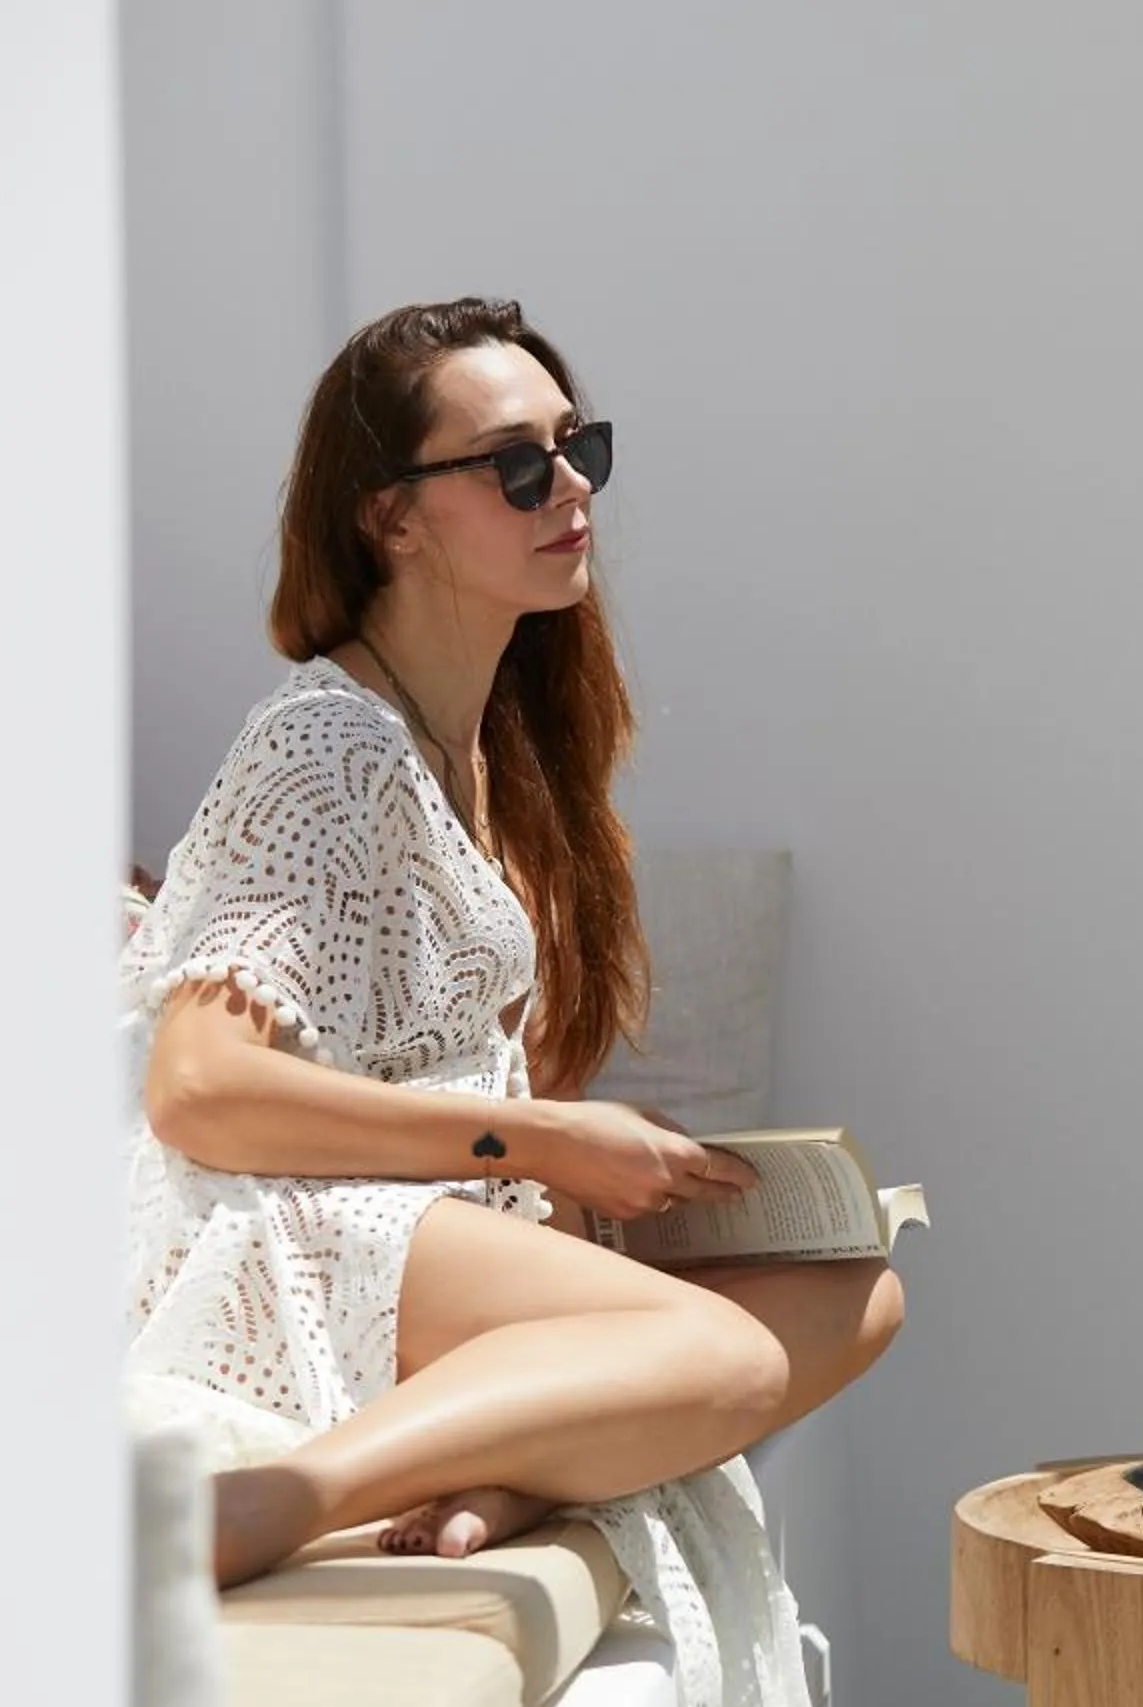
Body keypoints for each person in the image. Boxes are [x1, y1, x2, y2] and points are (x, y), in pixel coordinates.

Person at [120, 295, 905, 1594]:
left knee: (855, 1295)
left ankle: (497, 1467)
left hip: (439, 1221)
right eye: (516, 466)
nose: (568, 491)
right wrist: (541, 1139)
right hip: (307, 1227)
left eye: (578, 449)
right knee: (715, 1353)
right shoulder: (324, 745)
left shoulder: (485, 755)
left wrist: (587, 1162)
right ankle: (275, 1503)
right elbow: (197, 1089)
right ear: (392, 518)